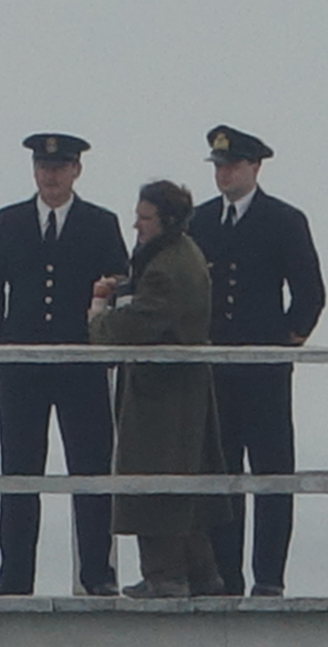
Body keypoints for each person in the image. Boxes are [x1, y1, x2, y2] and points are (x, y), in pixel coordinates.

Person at [0, 133, 129, 596]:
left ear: (76, 170)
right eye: (44, 166)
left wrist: (101, 342)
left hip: (80, 367)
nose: (51, 175)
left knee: (91, 471)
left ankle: (97, 574)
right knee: (20, 472)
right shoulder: (9, 221)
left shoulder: (101, 223)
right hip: (22, 369)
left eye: (60, 167)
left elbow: (121, 287)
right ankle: (15, 575)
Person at [186, 125, 325, 597]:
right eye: (219, 166)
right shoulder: (199, 222)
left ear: (254, 167)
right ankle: (225, 575)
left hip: (264, 370)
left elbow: (310, 294)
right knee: (221, 476)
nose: (224, 174)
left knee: (270, 474)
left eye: (233, 165)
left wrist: (283, 345)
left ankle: (269, 577)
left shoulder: (283, 220)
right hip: (215, 370)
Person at [88, 179, 230, 598]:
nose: (137, 226)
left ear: (166, 220)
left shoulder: (166, 268)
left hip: (161, 396)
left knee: (156, 481)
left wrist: (99, 312)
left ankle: (164, 576)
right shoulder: (186, 255)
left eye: (145, 218)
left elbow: (134, 326)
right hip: (182, 391)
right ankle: (203, 572)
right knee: (183, 481)